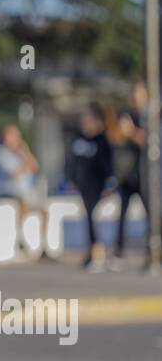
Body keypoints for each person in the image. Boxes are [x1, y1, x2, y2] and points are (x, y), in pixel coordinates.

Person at [0, 124, 49, 256]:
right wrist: (25, 164)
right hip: (3, 190)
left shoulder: (17, 154)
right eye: (12, 135)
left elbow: (35, 166)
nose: (16, 139)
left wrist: (25, 152)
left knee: (44, 210)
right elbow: (13, 173)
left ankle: (43, 247)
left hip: (23, 192)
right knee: (23, 201)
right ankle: (20, 237)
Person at [66, 102, 115, 271]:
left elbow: (108, 164)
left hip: (98, 186)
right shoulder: (77, 138)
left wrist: (109, 183)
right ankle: (91, 253)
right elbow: (71, 161)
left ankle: (99, 254)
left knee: (96, 219)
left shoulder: (101, 139)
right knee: (87, 218)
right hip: (83, 186)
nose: (84, 120)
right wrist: (71, 179)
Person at [111, 81, 148, 264]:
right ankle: (118, 252)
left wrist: (132, 132)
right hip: (127, 174)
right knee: (122, 214)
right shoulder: (126, 114)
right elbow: (117, 138)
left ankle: (152, 252)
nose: (136, 98)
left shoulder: (150, 116)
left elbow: (146, 140)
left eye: (140, 94)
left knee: (152, 215)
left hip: (146, 175)